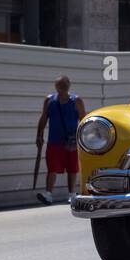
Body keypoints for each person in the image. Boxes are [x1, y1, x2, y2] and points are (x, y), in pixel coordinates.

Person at [35, 75, 85, 206]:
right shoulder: (50, 100)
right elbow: (44, 118)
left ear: (68, 86)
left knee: (72, 168)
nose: (62, 88)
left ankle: (71, 194)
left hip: (71, 141)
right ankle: (48, 194)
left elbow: (83, 119)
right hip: (54, 141)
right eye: (59, 85)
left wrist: (83, 138)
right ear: (56, 86)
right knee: (52, 168)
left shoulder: (76, 101)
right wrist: (39, 135)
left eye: (64, 85)